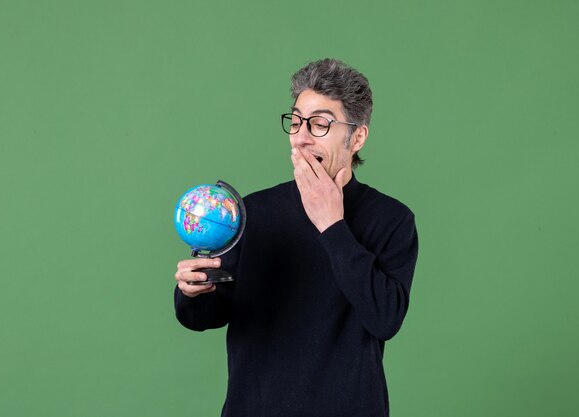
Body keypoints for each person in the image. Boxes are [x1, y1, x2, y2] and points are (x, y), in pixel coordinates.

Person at [174, 58, 419, 417]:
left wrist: (332, 226)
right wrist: (191, 292)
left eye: (319, 123)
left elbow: (385, 320)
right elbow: (204, 316)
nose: (301, 136)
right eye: (297, 120)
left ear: (358, 137)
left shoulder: (392, 220)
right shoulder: (251, 212)